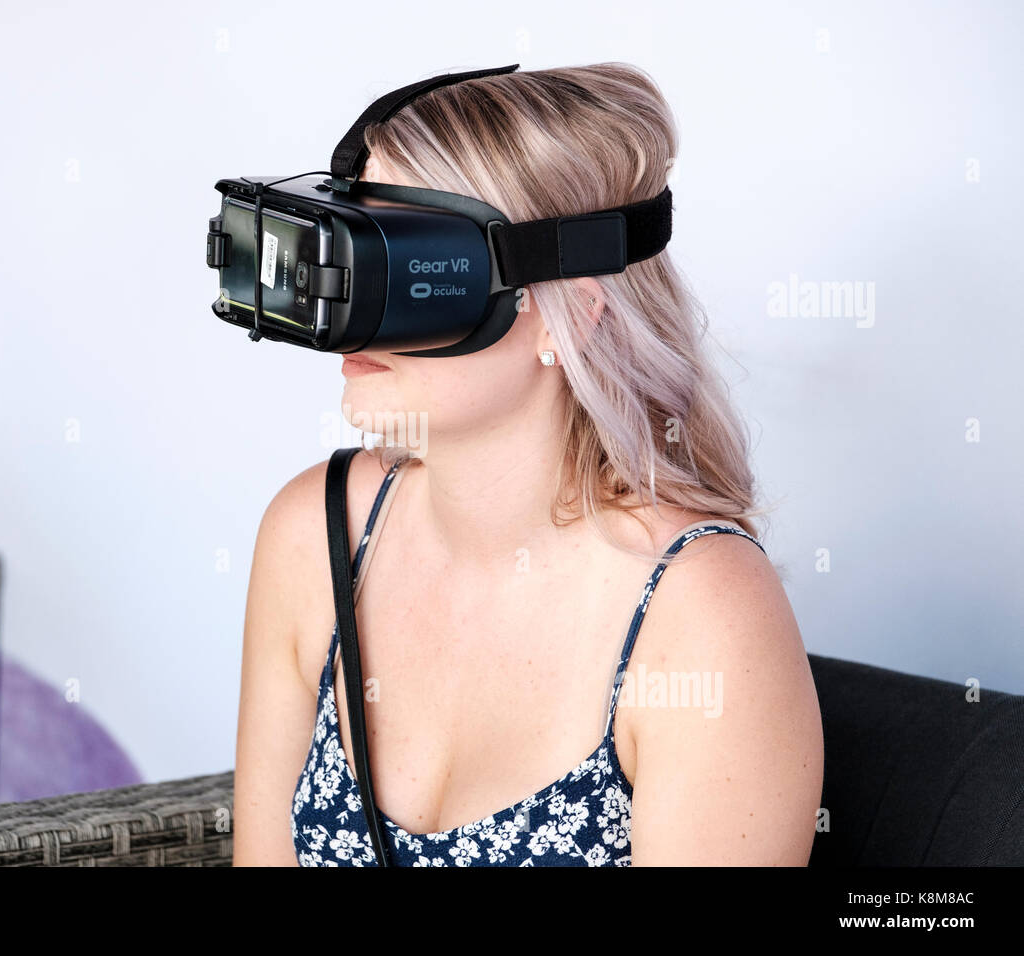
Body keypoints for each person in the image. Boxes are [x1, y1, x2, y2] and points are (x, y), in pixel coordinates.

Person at [233, 63, 823, 866]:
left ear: (570, 317)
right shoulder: (315, 535)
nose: (351, 321)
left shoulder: (700, 613)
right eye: (353, 244)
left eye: (405, 269)